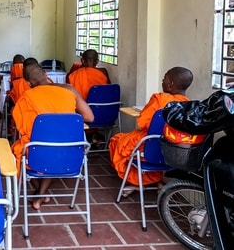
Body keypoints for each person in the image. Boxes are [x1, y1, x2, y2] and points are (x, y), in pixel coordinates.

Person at [11, 62, 94, 209]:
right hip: (70, 151)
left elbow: (21, 127)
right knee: (53, 145)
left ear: (28, 83)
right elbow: (89, 117)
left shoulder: (26, 97)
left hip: (39, 152)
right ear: (46, 74)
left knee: (21, 150)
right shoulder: (69, 90)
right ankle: (41, 194)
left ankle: (40, 194)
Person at [108, 67, 193, 197]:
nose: (162, 81)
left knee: (116, 140)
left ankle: (137, 183)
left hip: (148, 144)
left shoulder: (160, 98)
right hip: (174, 149)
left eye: (164, 79)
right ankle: (155, 180)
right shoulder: (190, 105)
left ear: (170, 85)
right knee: (152, 150)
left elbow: (141, 122)